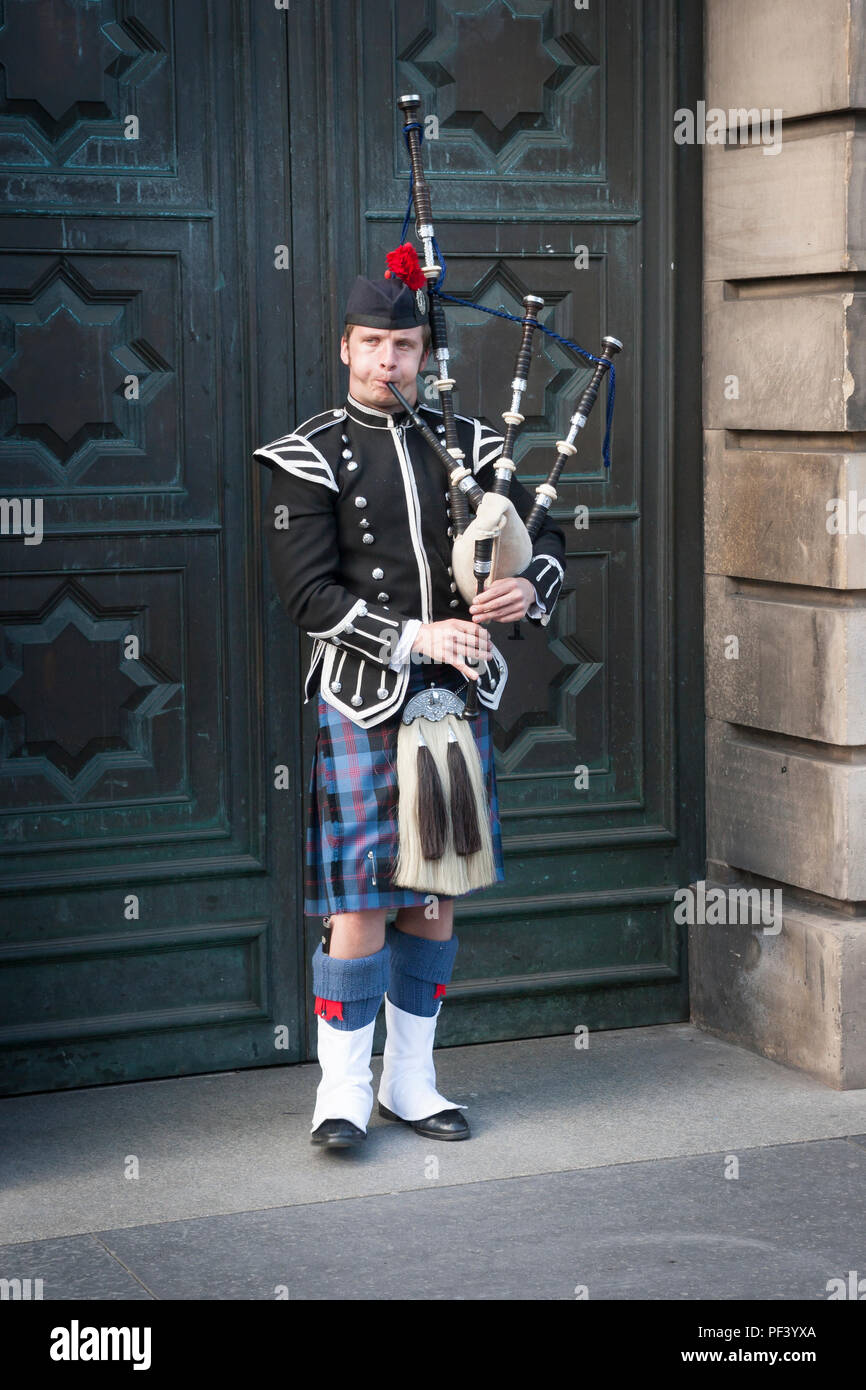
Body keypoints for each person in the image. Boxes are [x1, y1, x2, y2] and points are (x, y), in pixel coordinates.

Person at [253, 270, 566, 1148]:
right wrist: (419, 636)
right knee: (359, 904)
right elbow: (309, 597)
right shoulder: (304, 455)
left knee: (435, 895)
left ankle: (412, 1081)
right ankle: (342, 1095)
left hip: (453, 700)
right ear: (345, 348)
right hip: (365, 699)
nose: (389, 360)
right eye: (374, 345)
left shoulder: (469, 441)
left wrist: (523, 586)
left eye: (406, 347)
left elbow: (545, 533)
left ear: (425, 356)